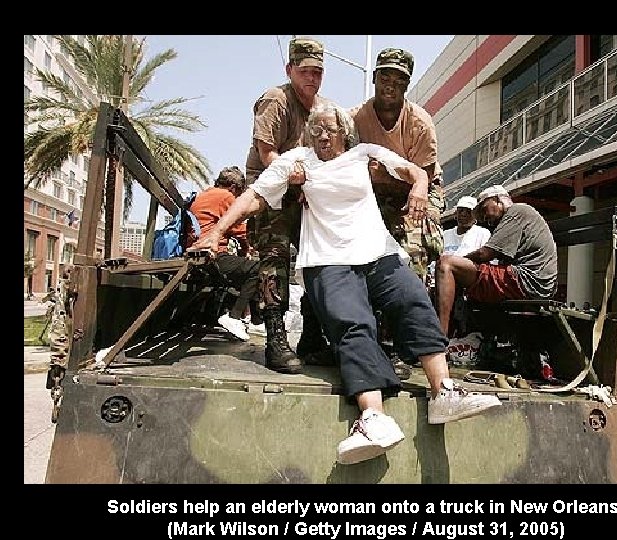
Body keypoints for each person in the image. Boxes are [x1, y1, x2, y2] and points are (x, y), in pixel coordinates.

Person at [192, 102, 501, 465]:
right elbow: (253, 197)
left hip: (377, 253)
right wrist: (216, 232)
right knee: (352, 322)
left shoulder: (363, 154)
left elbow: (414, 170)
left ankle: (443, 391)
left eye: (330, 128)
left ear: (344, 132)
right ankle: (372, 417)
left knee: (413, 300)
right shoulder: (296, 162)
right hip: (328, 260)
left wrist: (418, 186)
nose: (323, 135)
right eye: (316, 129)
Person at [350, 47, 446, 377]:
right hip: (373, 192)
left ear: (407, 85)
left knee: (414, 249)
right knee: (359, 253)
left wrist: (387, 178)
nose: (391, 84)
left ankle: (410, 341)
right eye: (385, 77)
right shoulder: (355, 120)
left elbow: (420, 181)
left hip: (417, 189)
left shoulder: (419, 123)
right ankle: (371, 337)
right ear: (374, 78)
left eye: (399, 80)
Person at [244, 36, 332, 373]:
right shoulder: (276, 100)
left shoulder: (322, 108)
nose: (312, 78)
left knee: (319, 259)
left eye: (318, 72)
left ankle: (312, 338)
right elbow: (268, 154)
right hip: (271, 190)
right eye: (306, 71)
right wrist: (293, 175)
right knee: (276, 257)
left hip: (304, 193)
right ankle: (275, 339)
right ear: (290, 69)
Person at [435, 185, 558, 336]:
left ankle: (439, 338)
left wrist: (458, 263)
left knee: (446, 264)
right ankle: (459, 335)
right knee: (453, 274)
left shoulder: (517, 211)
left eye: (484, 209)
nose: (486, 218)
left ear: (498, 200)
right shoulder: (515, 216)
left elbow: (484, 254)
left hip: (528, 281)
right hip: (533, 282)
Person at [187, 166, 260, 341]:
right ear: (234, 188)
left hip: (197, 254)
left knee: (247, 269)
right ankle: (234, 317)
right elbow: (241, 230)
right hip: (211, 255)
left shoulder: (204, 194)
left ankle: (256, 321)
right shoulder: (225, 196)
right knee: (257, 268)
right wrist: (247, 249)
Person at [441, 196, 491, 337]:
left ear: (475, 215)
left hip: (468, 280)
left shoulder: (482, 233)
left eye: (468, 211)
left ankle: (446, 332)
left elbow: (486, 260)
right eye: (460, 211)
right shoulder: (445, 234)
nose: (463, 215)